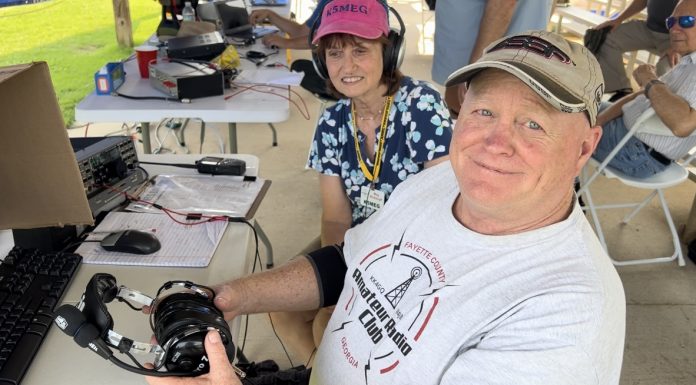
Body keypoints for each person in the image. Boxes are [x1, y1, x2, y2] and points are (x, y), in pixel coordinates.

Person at [146, 30, 626, 385]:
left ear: (585, 147)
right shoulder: (439, 181)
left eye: (534, 125)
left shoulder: (568, 313)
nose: (496, 143)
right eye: (483, 112)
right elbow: (347, 259)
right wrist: (232, 297)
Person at [272, 0, 452, 367]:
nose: (347, 66)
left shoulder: (421, 105)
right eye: (335, 53)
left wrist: (358, 290)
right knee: (282, 303)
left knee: (329, 323)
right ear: (322, 61)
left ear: (388, 52)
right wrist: (343, 277)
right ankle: (320, 373)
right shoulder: (332, 120)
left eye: (360, 50)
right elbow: (336, 218)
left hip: (413, 248)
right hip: (356, 239)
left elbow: (444, 209)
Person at [593, 0, 696, 178]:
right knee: (574, 110)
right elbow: (641, 95)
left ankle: (565, 193)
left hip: (634, 151)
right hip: (626, 132)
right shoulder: (689, 60)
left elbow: (682, 125)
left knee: (557, 128)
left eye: (687, 21)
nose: (674, 29)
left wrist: (649, 80)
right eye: (671, 22)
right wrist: (598, 121)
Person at [431, 0, 553, 114]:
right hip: (478, 59)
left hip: (488, 63)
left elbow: (503, 3)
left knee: (476, 121)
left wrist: (475, 68)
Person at [591, 0, 679, 101]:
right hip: (648, 28)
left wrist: (677, 46)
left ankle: (649, 106)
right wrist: (618, 19)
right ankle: (620, 93)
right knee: (604, 38)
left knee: (666, 68)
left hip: (677, 36)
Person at [248, 1, 331, 97]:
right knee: (298, 67)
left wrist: (286, 42)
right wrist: (269, 14)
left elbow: (332, 39)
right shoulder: (326, 2)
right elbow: (302, 33)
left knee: (300, 69)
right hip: (330, 70)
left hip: (342, 76)